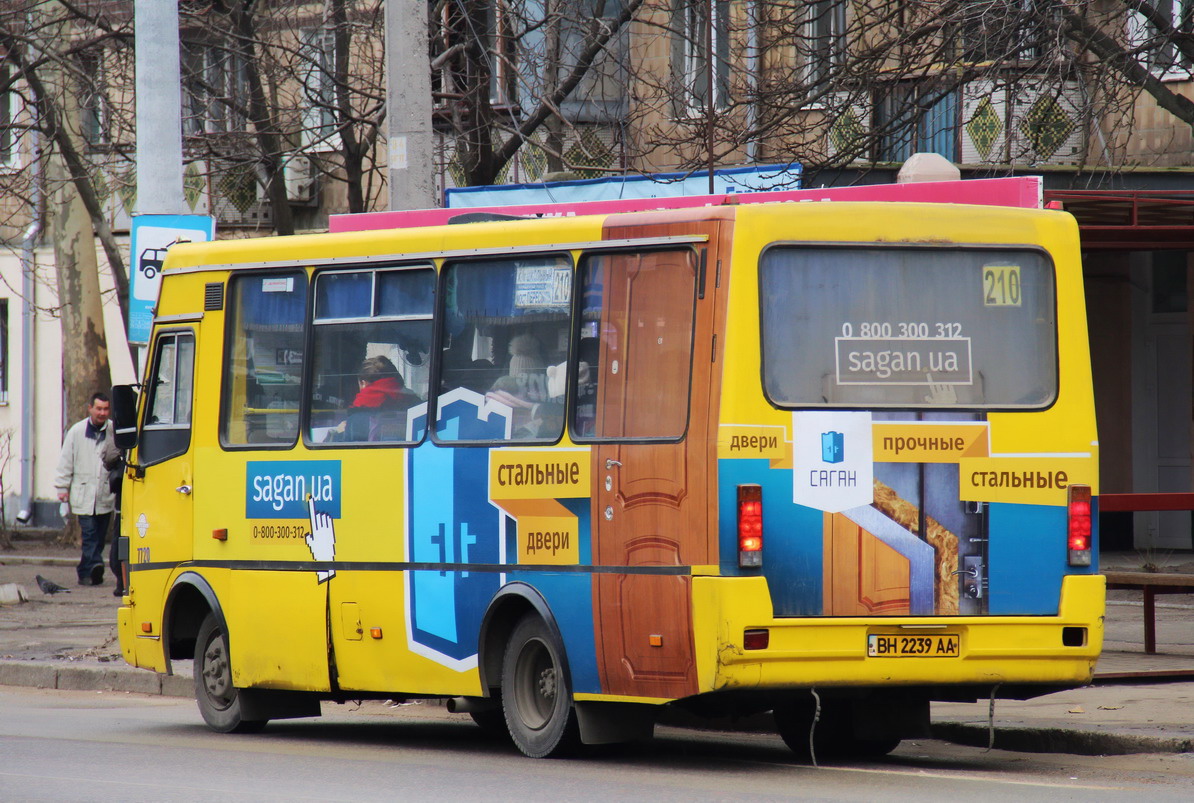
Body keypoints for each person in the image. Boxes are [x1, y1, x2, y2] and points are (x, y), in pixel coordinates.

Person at [54, 392, 116, 586]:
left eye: (106, 409)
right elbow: (66, 460)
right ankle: (96, 564)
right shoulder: (77, 431)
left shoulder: (113, 430)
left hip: (105, 494)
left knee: (98, 538)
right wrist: (62, 487)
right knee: (89, 535)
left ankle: (84, 572)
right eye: (99, 408)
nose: (102, 413)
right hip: (83, 493)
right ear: (90, 408)